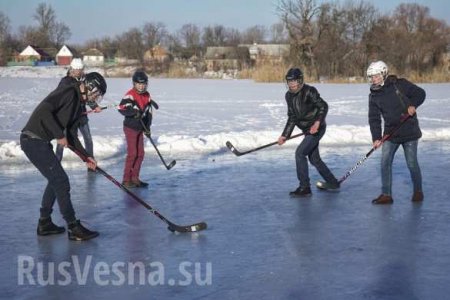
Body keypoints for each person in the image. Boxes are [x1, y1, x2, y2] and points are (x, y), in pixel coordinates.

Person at [20, 72, 107, 241]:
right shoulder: (68, 91)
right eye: (96, 93)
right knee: (61, 181)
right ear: (89, 87)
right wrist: (59, 134)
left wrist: (87, 157)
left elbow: (72, 136)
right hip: (32, 140)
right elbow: (45, 110)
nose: (96, 98)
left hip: (41, 142)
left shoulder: (78, 106)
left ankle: (44, 223)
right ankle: (73, 227)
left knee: (55, 180)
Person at [367, 61, 425, 204]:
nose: (373, 79)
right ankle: (386, 194)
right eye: (371, 77)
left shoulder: (400, 84)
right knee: (384, 162)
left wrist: (412, 105)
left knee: (411, 163)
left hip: (409, 131)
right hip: (391, 134)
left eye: (375, 76)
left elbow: (420, 94)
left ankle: (418, 191)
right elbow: (374, 118)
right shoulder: (374, 95)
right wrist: (376, 138)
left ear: (383, 73)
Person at [278, 67, 340, 197]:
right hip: (307, 130)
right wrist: (285, 135)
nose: (291, 84)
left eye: (294, 81)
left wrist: (317, 123)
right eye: (289, 81)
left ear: (300, 80)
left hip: (317, 128)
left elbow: (323, 106)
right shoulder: (288, 96)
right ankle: (333, 182)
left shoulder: (309, 91)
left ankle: (304, 187)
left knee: (300, 153)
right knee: (314, 159)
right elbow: (292, 117)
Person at [56, 58, 102, 168]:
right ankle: (56, 164)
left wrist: (94, 106)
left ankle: (90, 162)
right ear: (71, 69)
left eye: (80, 69)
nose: (78, 72)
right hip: (69, 117)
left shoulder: (85, 80)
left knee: (88, 139)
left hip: (82, 116)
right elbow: (59, 97)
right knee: (62, 141)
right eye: (76, 69)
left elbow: (87, 97)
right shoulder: (65, 81)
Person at [118, 70, 154, 188]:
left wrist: (147, 128)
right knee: (132, 154)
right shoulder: (130, 95)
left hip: (140, 127)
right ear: (134, 84)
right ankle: (126, 179)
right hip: (130, 127)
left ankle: (135, 178)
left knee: (141, 154)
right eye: (139, 84)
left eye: (144, 84)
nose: (142, 86)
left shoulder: (147, 96)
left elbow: (149, 114)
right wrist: (133, 112)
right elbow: (122, 109)